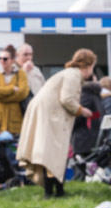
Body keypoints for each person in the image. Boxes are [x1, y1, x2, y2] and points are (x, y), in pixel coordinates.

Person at [17, 47, 96, 198]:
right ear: (89, 66)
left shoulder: (68, 73)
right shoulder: (74, 75)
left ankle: (56, 191)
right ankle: (53, 192)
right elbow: (66, 99)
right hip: (50, 116)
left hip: (46, 113)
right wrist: (82, 110)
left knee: (52, 155)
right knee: (53, 155)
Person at [0, 47, 29, 135]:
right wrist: (11, 88)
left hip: (16, 123)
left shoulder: (21, 74)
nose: (2, 61)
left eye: (5, 59)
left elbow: (22, 93)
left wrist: (1, 97)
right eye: (0, 58)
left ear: (12, 60)